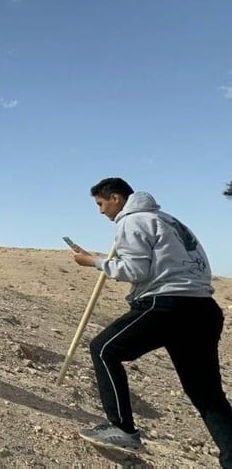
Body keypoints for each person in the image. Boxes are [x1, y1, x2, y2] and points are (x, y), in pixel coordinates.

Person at [70, 178, 232, 463]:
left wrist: (93, 261)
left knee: (104, 349)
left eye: (100, 204)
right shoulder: (169, 220)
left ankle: (122, 429)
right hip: (204, 309)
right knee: (207, 395)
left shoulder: (132, 221)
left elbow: (135, 270)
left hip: (166, 305)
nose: (101, 211)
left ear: (116, 198)